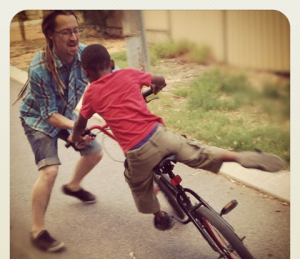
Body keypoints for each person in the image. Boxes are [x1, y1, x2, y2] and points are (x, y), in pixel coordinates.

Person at [70, 44, 285, 231]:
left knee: (136, 183)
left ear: (86, 73)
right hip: (161, 135)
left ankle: (160, 217)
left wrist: (75, 138)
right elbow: (160, 79)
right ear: (112, 62)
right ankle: (238, 157)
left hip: (137, 153)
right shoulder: (128, 73)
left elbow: (80, 123)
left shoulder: (91, 94)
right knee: (198, 151)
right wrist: (156, 86)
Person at [16, 11, 118, 252]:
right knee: (50, 170)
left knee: (94, 151)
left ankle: (72, 186)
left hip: (67, 115)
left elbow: (112, 75)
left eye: (76, 30)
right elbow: (49, 114)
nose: (73, 36)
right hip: (38, 119)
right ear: (51, 35)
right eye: (66, 32)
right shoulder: (39, 68)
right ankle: (37, 230)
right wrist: (78, 126)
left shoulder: (84, 54)